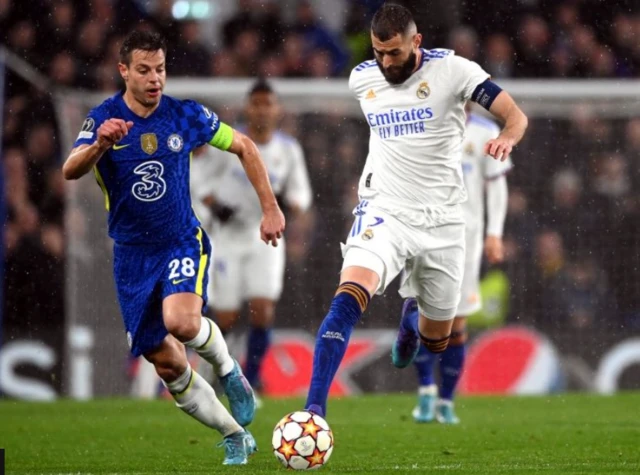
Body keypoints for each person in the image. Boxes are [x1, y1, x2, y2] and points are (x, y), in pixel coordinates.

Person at [62, 30, 285, 465]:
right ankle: (234, 433)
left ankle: (227, 368)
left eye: (160, 69)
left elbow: (243, 145)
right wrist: (100, 144)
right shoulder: (103, 118)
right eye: (144, 70)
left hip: (181, 239)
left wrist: (270, 208)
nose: (154, 79)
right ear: (123, 71)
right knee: (167, 365)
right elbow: (71, 170)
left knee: (181, 323)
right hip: (131, 256)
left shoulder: (184, 115)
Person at [303, 3, 527, 418]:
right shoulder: (362, 78)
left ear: (417, 41)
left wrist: (507, 138)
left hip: (443, 220)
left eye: (394, 53)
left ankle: (411, 321)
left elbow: (514, 116)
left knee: (437, 339)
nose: (386, 62)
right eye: (378, 52)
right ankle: (314, 411)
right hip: (384, 210)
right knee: (349, 295)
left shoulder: (455, 71)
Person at [190, 79, 312, 399]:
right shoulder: (229, 143)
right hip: (227, 238)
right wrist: (216, 206)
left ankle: (253, 381)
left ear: (278, 110)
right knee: (226, 314)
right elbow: (198, 177)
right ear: (247, 108)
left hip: (265, 237)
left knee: (263, 307)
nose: (261, 109)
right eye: (255, 103)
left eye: (267, 103)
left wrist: (285, 205)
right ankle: (221, 373)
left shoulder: (289, 150)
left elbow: (301, 195)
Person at [409, 110, 512, 425]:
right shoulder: (420, 123)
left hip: (466, 240)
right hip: (423, 232)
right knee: (421, 314)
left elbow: (496, 185)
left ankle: (446, 401)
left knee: (456, 324)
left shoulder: (486, 131)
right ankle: (426, 389)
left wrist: (494, 233)